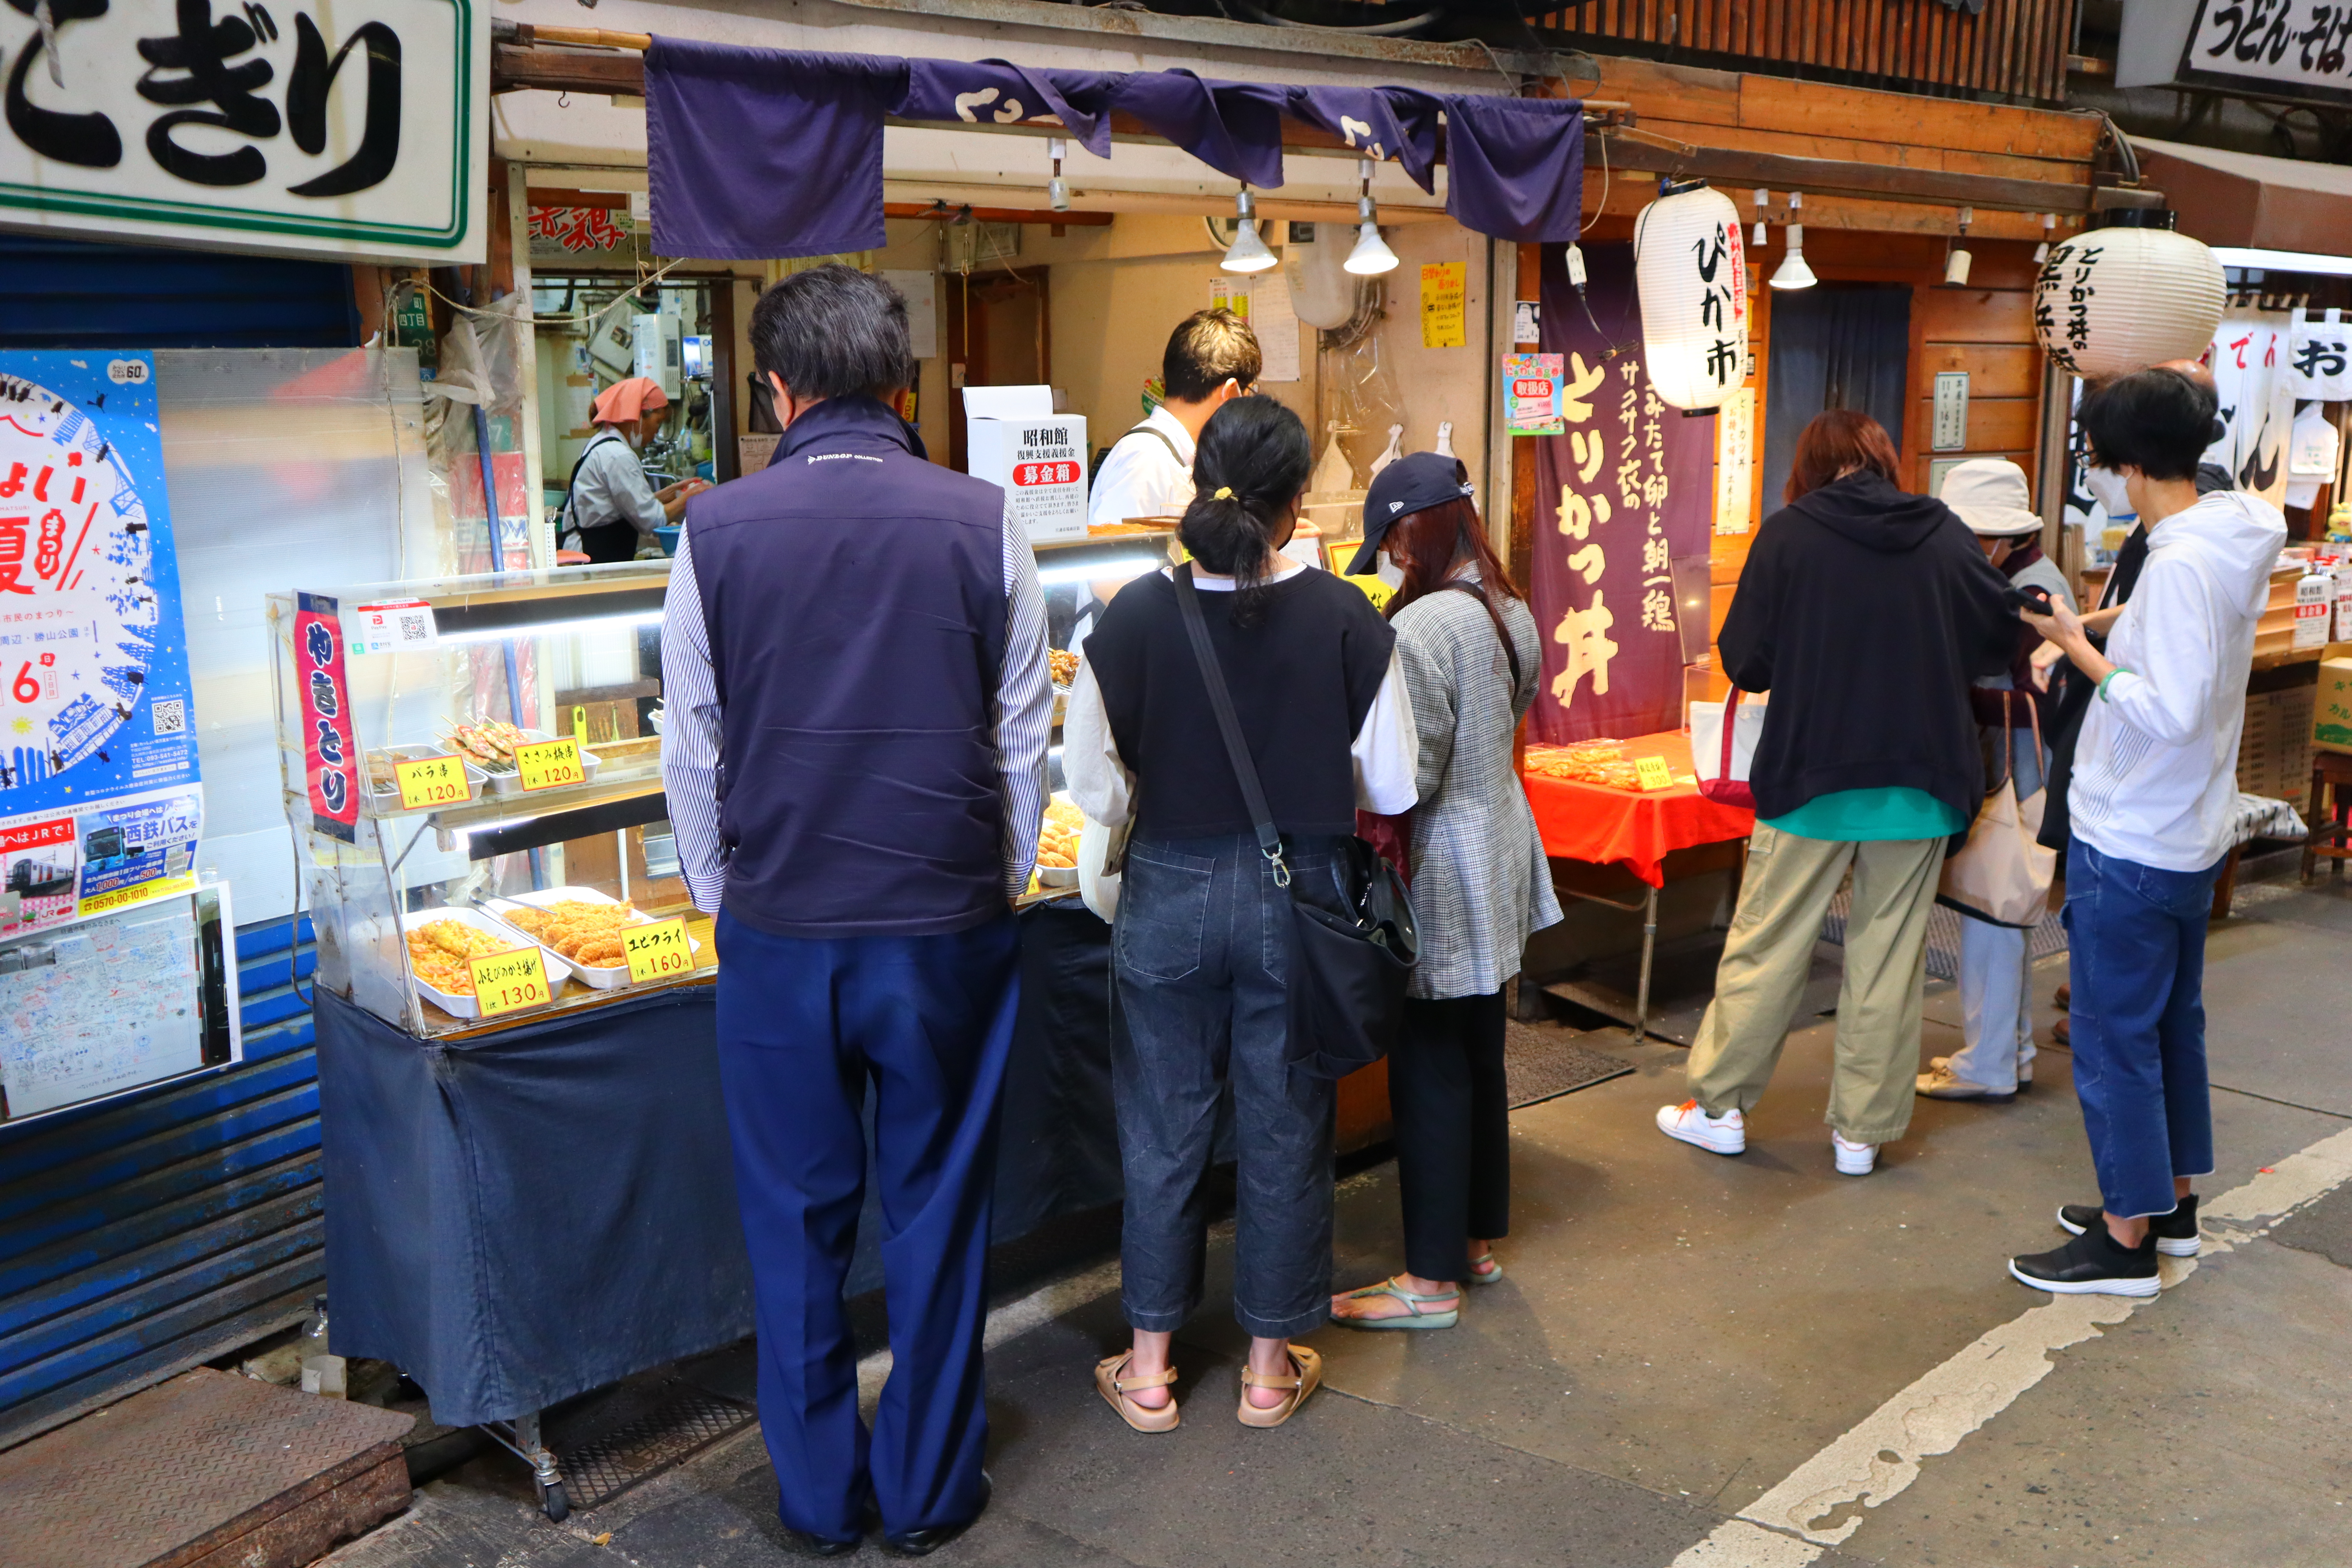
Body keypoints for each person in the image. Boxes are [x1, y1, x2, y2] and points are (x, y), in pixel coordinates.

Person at [661, 265, 1052, 1555]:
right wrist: (992, 885)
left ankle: (820, 1500)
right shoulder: (985, 519)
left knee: (794, 1223)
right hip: (942, 927)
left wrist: (730, 903)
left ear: (777, 389)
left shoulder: (714, 531)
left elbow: (693, 747)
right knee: (939, 1210)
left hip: (780, 932)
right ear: (903, 384)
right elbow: (1022, 735)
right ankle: (932, 1490)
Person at [1064, 396, 1416, 1430]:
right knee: (1284, 1126)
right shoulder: (1351, 618)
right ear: (1300, 499)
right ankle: (1267, 1374)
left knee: (1163, 1130)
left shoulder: (1130, 615)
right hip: (1296, 899)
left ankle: (1148, 1371)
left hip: (1168, 890)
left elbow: (1094, 786)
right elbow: (1391, 786)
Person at [1655, 411, 2013, 1176]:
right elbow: (1998, 640)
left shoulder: (1790, 535)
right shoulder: (1944, 532)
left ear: (1808, 466)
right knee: (1888, 956)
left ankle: (1719, 1109)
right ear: (1884, 458)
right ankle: (1861, 1132)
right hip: (1921, 779)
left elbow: (1748, 662)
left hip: (1811, 777)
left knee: (1767, 943)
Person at [2008, 367, 2285, 1297]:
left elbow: (2161, 707)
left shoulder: (2178, 557)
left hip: (2133, 832)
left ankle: (2124, 1239)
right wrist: (2086, 621)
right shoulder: (2229, 528)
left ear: (2125, 463)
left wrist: (2081, 652)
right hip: (2186, 828)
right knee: (2169, 1026)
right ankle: (2165, 1200)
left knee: (2112, 1034)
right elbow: (2172, 628)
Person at [1325, 453, 1561, 1330]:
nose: (1386, 557)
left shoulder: (1423, 627)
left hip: (1446, 858)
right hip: (1502, 838)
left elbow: (1406, 774)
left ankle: (1428, 1281)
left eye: (1387, 539)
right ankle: (1472, 1242)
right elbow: (1521, 700)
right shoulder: (1508, 604)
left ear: (1410, 529)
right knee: (1479, 1052)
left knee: (1428, 1063)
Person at [1917, 459, 2076, 1103]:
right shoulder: (2029, 575)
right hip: (2019, 767)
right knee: (2001, 911)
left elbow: (2010, 683)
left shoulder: (2024, 589)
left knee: (1994, 908)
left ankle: (1990, 1060)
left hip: (2012, 770)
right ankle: (2006, 1053)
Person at [1083, 308, 1261, 534]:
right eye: (1250, 392)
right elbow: (1115, 560)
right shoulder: (1146, 461)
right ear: (1231, 392)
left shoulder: (1177, 455)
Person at [561, 376, 705, 563]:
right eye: (658, 422)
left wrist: (673, 492)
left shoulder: (603, 443)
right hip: (593, 558)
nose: (656, 432)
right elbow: (652, 521)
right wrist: (690, 497)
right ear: (638, 416)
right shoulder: (619, 456)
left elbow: (625, 504)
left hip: (591, 550)